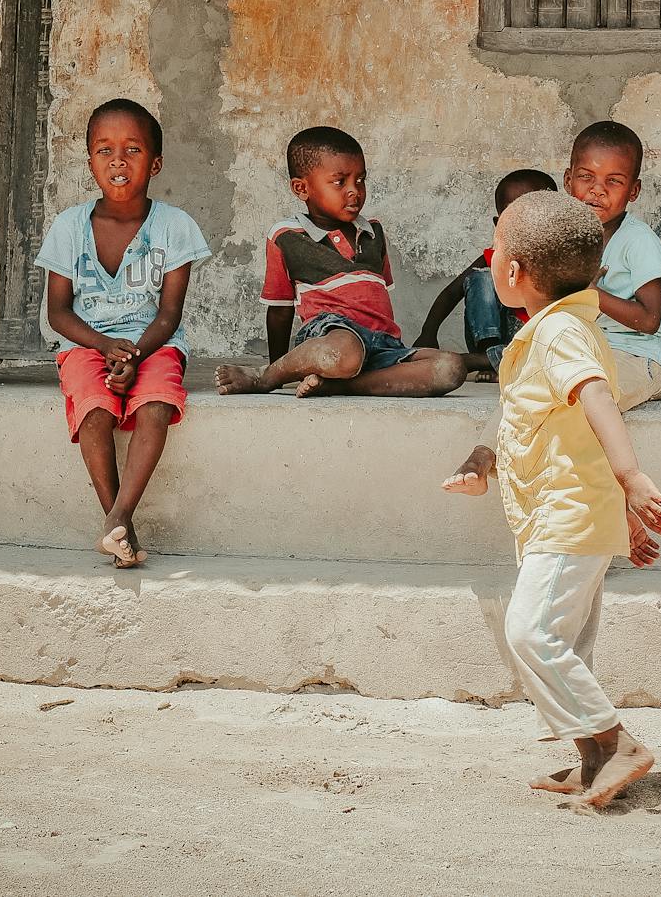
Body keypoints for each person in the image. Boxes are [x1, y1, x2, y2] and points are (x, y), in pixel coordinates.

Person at [440, 190, 661, 809]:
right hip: (568, 512)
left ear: (512, 273)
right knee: (565, 646)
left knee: (531, 633)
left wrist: (632, 481)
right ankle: (594, 759)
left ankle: (618, 744)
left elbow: (597, 397)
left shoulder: (558, 334)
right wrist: (485, 463)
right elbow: (548, 426)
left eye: (496, 250)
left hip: (566, 517)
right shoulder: (554, 329)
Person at [36, 99, 210, 568]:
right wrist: (104, 348)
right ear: (90, 159)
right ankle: (119, 526)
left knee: (156, 405)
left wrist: (133, 357)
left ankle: (120, 516)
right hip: (88, 343)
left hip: (152, 343)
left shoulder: (174, 227)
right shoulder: (69, 227)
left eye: (132, 149)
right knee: (94, 411)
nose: (117, 161)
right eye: (104, 150)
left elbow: (169, 313)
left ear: (155, 162)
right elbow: (58, 313)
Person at [215, 126, 466, 397]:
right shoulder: (286, 237)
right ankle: (263, 378)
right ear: (302, 188)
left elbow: (378, 301)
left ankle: (340, 385)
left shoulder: (373, 233)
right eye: (340, 182)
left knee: (451, 367)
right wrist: (277, 368)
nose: (354, 191)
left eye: (360, 180)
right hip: (333, 335)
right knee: (344, 353)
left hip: (383, 344)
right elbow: (279, 310)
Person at [563, 121, 661, 409]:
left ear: (634, 190)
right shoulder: (567, 237)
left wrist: (592, 292)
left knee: (583, 398)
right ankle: (483, 454)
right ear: (568, 181)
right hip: (589, 352)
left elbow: (650, 319)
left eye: (613, 181)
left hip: (643, 359)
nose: (597, 190)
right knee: (527, 387)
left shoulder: (638, 241)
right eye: (585, 177)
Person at [414, 169, 557, 379]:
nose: (526, 225)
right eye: (515, 217)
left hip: (532, 343)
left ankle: (483, 362)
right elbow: (450, 293)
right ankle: (488, 356)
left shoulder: (561, 258)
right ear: (498, 224)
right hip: (493, 338)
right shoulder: (494, 258)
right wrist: (428, 333)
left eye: (535, 215)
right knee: (481, 277)